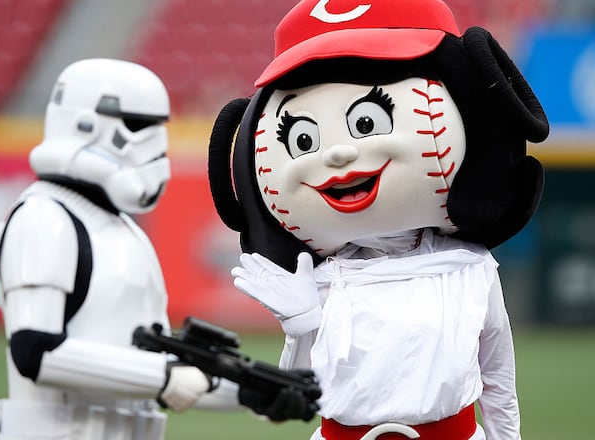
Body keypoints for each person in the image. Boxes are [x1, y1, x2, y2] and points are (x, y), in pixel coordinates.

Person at [207, 0, 549, 439]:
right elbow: (285, 403)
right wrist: (300, 329)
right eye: (304, 138)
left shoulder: (471, 267)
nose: (336, 154)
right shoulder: (319, 281)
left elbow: (498, 378)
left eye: (365, 122)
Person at [0, 58, 315, 440]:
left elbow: (147, 365)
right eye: (137, 125)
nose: (153, 143)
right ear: (82, 124)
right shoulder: (44, 218)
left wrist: (250, 394)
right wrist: (163, 377)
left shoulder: (119, 231)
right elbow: (35, 351)